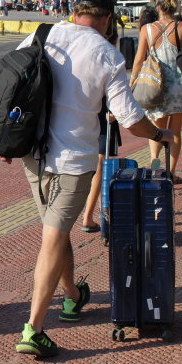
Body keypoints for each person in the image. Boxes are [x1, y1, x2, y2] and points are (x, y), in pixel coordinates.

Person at [5, 0, 173, 358]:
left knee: (56, 229)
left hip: (33, 156)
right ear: (108, 21)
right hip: (73, 163)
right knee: (53, 235)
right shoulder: (108, 56)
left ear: (76, 13)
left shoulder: (44, 34)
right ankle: (33, 329)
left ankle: (72, 297)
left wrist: (6, 141)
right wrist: (161, 135)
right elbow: (130, 120)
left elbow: (10, 83)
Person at [131, 0, 182, 183]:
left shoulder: (146, 29)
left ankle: (155, 165)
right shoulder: (181, 26)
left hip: (156, 85)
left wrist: (133, 80)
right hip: (180, 85)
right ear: (174, 7)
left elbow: (139, 58)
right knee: (175, 131)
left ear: (157, 7)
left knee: (157, 129)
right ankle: (171, 173)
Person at [80, 18, 121, 233]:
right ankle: (89, 216)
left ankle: (89, 213)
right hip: (105, 117)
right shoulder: (111, 57)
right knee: (99, 166)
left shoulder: (87, 53)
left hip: (85, 115)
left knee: (92, 165)